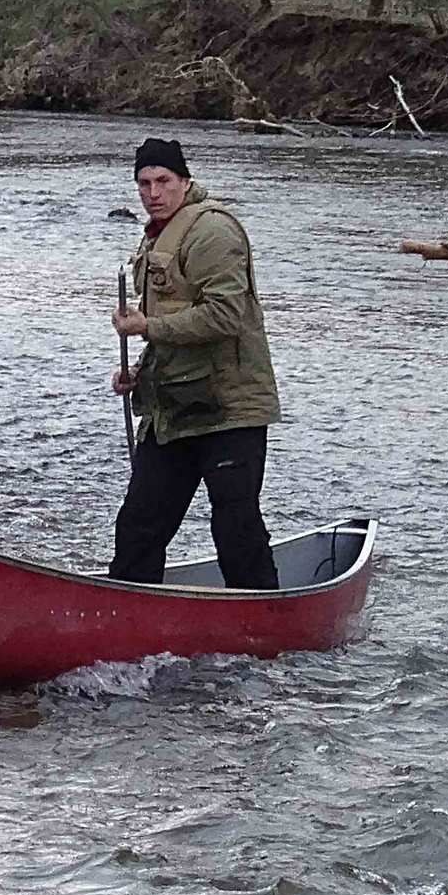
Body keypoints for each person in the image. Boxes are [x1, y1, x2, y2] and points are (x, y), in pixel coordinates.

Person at [107, 137, 281, 589]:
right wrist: (138, 373)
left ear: (185, 181)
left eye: (163, 181)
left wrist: (147, 328)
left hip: (228, 409)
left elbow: (227, 316)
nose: (152, 193)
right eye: (144, 183)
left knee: (234, 527)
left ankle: (266, 626)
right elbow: (171, 323)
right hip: (174, 411)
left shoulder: (213, 232)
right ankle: (128, 621)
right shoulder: (155, 237)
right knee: (139, 527)